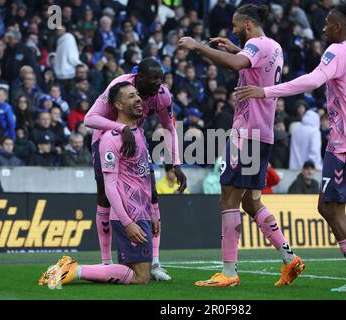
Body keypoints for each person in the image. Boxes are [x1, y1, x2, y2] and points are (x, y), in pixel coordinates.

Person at [235, 3, 346, 292]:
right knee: (334, 209)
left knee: (330, 209)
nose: (323, 29)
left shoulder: (338, 51)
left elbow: (313, 80)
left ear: (339, 27)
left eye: (327, 24)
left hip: (345, 143)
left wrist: (266, 91)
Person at [178, 3, 305, 287]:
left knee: (228, 199)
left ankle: (229, 272)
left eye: (236, 26)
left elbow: (237, 64)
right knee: (250, 200)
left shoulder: (256, 45)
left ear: (247, 24)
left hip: (246, 134)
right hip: (263, 133)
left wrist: (199, 47)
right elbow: (251, 64)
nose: (233, 31)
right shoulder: (274, 46)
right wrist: (235, 49)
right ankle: (290, 258)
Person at [38, 83, 157, 287]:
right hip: (129, 213)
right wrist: (127, 222)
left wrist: (153, 212)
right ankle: (73, 271)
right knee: (141, 277)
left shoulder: (138, 132)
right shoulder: (110, 139)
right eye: (131, 96)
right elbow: (109, 186)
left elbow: (144, 177)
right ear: (118, 105)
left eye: (138, 94)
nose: (138, 99)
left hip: (141, 212)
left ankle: (73, 270)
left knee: (132, 271)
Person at [84, 57, 186, 281]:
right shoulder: (119, 86)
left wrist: (175, 163)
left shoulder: (162, 95)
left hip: (136, 140)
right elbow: (89, 118)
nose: (158, 84)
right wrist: (120, 128)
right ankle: (105, 262)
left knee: (152, 194)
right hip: (106, 139)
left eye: (161, 78)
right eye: (153, 79)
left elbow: (169, 127)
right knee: (104, 196)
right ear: (138, 77)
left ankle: (155, 263)